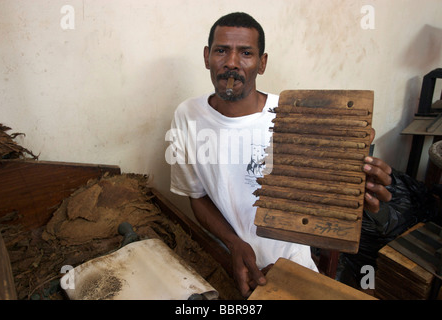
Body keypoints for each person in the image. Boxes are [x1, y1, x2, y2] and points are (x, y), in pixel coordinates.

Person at [167, 12, 392, 298]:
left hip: (291, 264)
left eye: (246, 53)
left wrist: (352, 189)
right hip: (225, 261)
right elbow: (196, 196)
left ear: (262, 63)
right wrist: (233, 243)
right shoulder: (187, 116)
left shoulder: (295, 117)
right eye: (221, 50)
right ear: (206, 56)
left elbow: (325, 192)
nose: (232, 62)